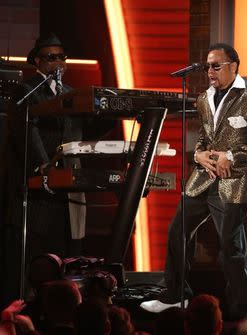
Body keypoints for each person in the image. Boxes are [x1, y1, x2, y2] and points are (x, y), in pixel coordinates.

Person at [143, 43, 247, 319]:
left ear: (233, 66)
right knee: (176, 232)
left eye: (216, 66)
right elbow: (205, 136)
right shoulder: (204, 98)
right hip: (203, 179)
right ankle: (175, 295)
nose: (210, 72)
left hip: (234, 181)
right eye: (207, 66)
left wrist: (232, 156)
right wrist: (199, 154)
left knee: (230, 249)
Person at [2, 33, 114, 304]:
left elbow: (84, 130)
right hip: (39, 190)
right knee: (36, 256)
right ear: (38, 61)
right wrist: (44, 165)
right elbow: (27, 130)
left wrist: (110, 113)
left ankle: (62, 307)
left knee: (65, 251)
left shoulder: (70, 94)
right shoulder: (26, 91)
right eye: (52, 57)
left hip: (67, 189)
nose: (59, 62)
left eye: (62, 57)